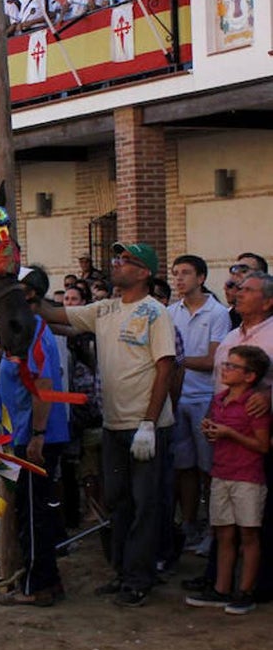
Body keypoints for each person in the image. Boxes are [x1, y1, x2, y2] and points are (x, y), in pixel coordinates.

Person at [37, 241, 176, 607]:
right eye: (116, 259)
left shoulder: (154, 312)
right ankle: (122, 570)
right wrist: (25, 296)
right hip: (114, 423)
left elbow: (165, 368)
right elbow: (57, 317)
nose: (116, 265)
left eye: (126, 261)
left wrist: (149, 422)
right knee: (118, 500)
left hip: (145, 426)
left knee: (145, 503)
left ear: (144, 273)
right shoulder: (105, 309)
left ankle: (140, 577)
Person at [0, 267, 70, 606]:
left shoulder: (34, 333)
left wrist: (37, 434)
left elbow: (43, 385)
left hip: (35, 437)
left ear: (28, 294)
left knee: (31, 514)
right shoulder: (22, 331)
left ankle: (36, 587)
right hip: (26, 434)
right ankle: (49, 580)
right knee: (34, 511)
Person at [185, 346, 271, 614]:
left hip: (246, 476)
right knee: (223, 532)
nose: (225, 369)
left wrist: (228, 433)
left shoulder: (253, 404)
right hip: (222, 473)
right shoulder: (220, 399)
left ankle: (246, 590)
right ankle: (222, 589)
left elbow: (262, 445)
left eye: (233, 366)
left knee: (248, 533)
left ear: (249, 375)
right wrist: (213, 431)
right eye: (226, 364)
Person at [168, 255, 232, 554]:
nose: (179, 279)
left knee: (209, 468)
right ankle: (190, 525)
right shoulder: (170, 312)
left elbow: (211, 361)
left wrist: (176, 361)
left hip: (204, 397)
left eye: (186, 273)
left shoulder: (217, 313)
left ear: (201, 277)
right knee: (185, 467)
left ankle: (212, 527)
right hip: (178, 397)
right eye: (176, 273)